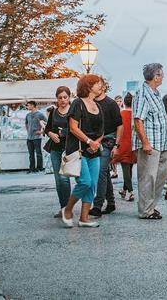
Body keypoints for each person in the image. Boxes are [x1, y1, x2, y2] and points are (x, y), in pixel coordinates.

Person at [60, 74, 106, 228]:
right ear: (88, 86)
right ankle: (67, 209)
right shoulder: (77, 104)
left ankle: (84, 218)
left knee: (92, 184)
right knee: (85, 182)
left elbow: (102, 131)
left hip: (94, 150)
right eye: (97, 83)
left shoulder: (98, 106)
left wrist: (96, 143)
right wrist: (89, 142)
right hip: (79, 149)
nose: (100, 86)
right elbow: (73, 128)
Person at [133, 63, 167, 219]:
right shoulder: (143, 94)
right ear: (155, 77)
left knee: (160, 178)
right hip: (151, 144)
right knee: (148, 178)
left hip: (162, 143)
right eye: (161, 74)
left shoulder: (155, 93)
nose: (163, 77)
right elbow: (138, 120)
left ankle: (151, 207)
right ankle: (145, 211)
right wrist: (145, 142)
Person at [88, 80, 123, 218]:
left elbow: (120, 125)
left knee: (101, 170)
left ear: (102, 87)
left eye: (95, 85)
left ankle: (97, 205)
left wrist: (116, 145)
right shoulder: (91, 103)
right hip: (95, 142)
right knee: (104, 173)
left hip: (108, 141)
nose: (93, 88)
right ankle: (111, 203)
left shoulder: (111, 104)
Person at [43, 86, 73, 216]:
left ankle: (68, 209)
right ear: (57, 99)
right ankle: (63, 207)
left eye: (65, 97)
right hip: (55, 149)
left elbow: (77, 129)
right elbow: (47, 128)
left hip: (68, 149)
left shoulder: (73, 111)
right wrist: (51, 134)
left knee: (64, 179)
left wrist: (62, 133)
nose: (62, 100)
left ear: (69, 97)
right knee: (58, 180)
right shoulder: (53, 112)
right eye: (60, 98)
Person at [112, 93, 136, 201]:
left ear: (124, 103)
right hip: (133, 144)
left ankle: (131, 192)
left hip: (122, 144)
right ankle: (124, 190)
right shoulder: (135, 115)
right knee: (129, 168)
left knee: (125, 169)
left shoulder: (120, 114)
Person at [24, 101, 46, 173]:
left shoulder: (40, 114)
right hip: (29, 138)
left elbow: (47, 123)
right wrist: (28, 130)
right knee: (31, 154)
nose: (27, 107)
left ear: (33, 106)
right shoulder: (28, 115)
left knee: (38, 153)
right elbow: (26, 123)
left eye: (28, 105)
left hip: (37, 138)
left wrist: (41, 132)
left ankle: (39, 168)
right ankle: (32, 168)